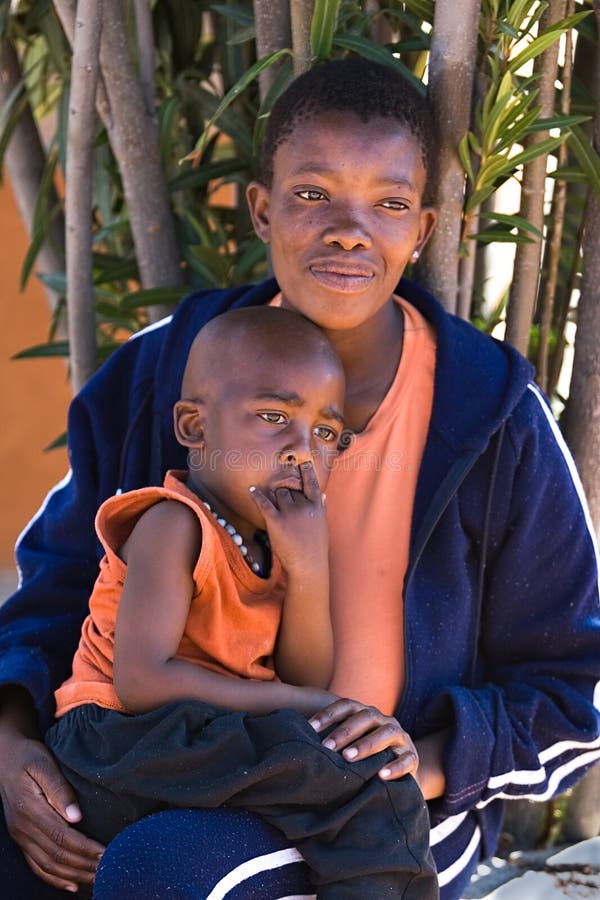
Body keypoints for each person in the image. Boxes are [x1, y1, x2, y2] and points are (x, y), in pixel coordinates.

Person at [0, 56, 598, 900]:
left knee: (162, 872)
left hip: (379, 813)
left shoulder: (491, 413)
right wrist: (13, 752)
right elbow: (53, 596)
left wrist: (417, 763)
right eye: (313, 194)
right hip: (157, 752)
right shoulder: (170, 370)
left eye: (388, 204)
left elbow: (570, 692)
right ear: (261, 208)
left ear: (421, 230)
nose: (350, 231)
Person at [44, 305, 437, 899]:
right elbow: (142, 680)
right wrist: (301, 704)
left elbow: (305, 673)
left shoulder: (269, 544)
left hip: (192, 738)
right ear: (195, 428)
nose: (302, 450)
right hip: (118, 740)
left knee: (353, 775)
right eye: (275, 416)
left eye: (326, 433)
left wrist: (307, 568)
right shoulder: (173, 524)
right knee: (355, 778)